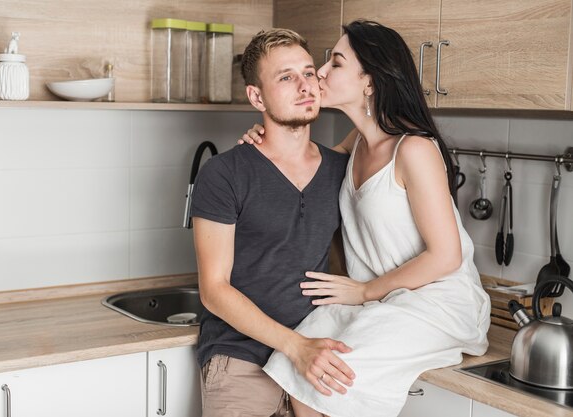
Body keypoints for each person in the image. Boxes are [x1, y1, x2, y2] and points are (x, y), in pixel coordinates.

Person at [240, 20, 491, 417]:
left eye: (335, 64)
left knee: (327, 378)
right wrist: (264, 138)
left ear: (369, 83)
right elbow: (304, 161)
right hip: (379, 302)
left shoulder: (414, 150)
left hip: (434, 305)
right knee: (298, 363)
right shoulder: (357, 143)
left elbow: (447, 257)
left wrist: (364, 291)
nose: (319, 74)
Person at [190, 28, 356, 417]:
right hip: (242, 359)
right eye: (286, 77)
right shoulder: (224, 173)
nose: (305, 85)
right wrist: (295, 347)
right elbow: (214, 289)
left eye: (308, 72)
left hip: (320, 358)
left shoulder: (341, 171)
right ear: (256, 97)